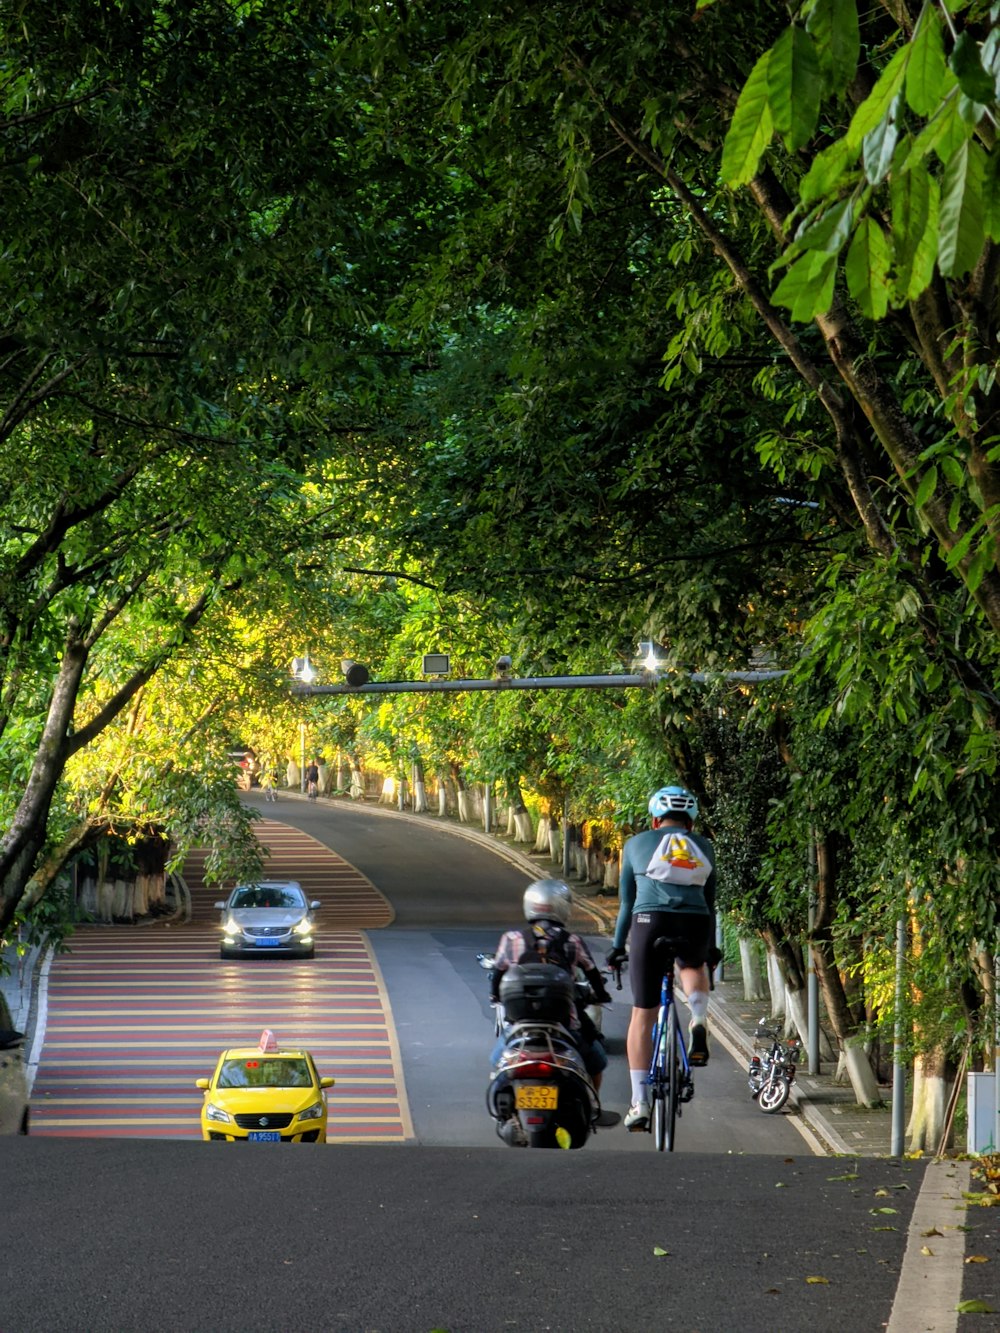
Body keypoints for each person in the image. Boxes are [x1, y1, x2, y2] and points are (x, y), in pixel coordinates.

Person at [607, 785, 717, 1132]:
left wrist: (616, 945)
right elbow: (710, 904)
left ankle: (640, 1102)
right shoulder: (705, 847)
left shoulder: (636, 843)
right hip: (695, 920)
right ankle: (698, 1018)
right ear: (691, 822)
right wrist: (709, 946)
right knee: (693, 966)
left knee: (643, 1014)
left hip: (647, 922)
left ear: (655, 819)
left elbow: (627, 902)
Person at [489, 878, 612, 1090]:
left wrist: (495, 996)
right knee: (597, 1061)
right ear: (563, 907)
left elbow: (498, 972)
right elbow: (591, 972)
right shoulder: (572, 941)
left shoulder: (512, 939)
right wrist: (601, 995)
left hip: (520, 1025)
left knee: (497, 1060)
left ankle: (503, 1111)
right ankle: (593, 1108)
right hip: (564, 1025)